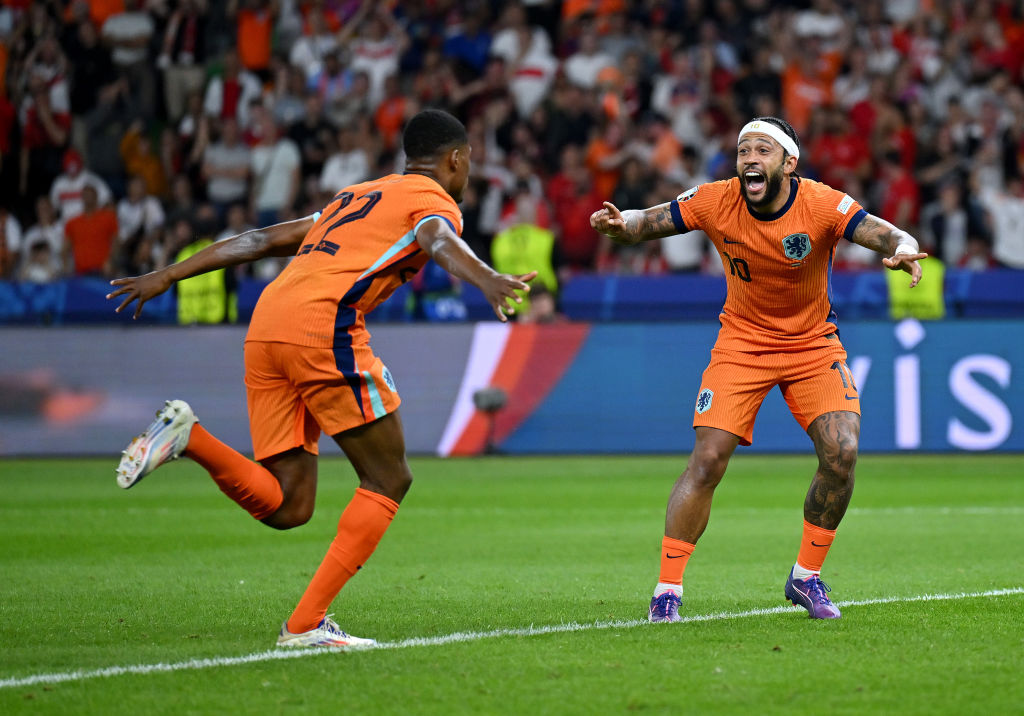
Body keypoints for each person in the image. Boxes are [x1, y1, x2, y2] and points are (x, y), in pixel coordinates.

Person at [106, 110, 536, 647]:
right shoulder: (434, 200)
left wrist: (169, 273)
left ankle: (190, 438)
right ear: (455, 158)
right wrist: (486, 277)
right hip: (321, 325)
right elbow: (436, 238)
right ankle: (305, 624)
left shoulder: (357, 195)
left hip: (267, 325)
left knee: (290, 505)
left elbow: (261, 240)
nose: (468, 171)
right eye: (468, 160)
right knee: (389, 477)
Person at [590, 116, 927, 621]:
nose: (750, 158)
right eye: (743, 149)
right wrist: (622, 224)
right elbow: (647, 221)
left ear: (789, 164)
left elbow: (884, 231)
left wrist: (901, 249)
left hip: (812, 345)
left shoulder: (821, 203)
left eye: (762, 150)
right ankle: (667, 590)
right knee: (708, 460)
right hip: (742, 344)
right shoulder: (716, 200)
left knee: (842, 452)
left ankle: (806, 578)